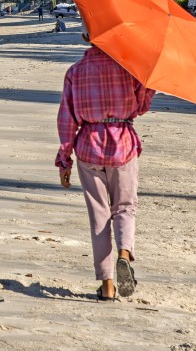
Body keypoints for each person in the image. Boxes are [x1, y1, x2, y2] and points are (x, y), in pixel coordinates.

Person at [55, 30, 155, 302]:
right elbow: (141, 107)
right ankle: (124, 253)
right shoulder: (129, 69)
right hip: (122, 142)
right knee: (124, 207)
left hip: (88, 145)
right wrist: (148, 84)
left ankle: (108, 285)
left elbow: (67, 118)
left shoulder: (76, 72)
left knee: (99, 216)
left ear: (87, 37)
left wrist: (64, 158)